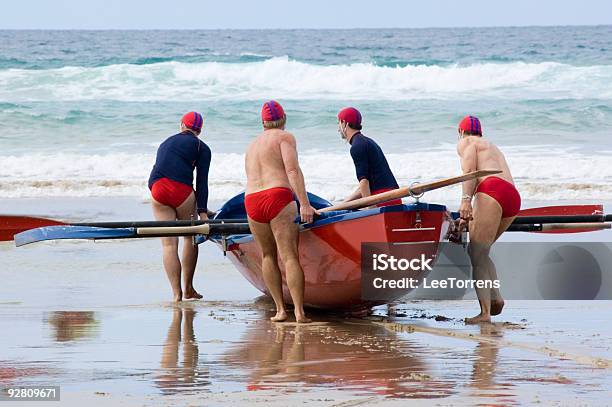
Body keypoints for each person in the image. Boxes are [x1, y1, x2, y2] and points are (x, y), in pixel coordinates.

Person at [244, 100, 317, 323]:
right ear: (283, 120)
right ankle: (299, 312)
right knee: (289, 256)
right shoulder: (285, 137)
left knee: (268, 255)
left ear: (263, 122)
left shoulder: (252, 145)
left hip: (252, 200)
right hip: (277, 196)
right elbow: (292, 170)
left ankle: (279, 311)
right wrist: (304, 204)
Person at [455, 115, 521, 324]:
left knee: (476, 253)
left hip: (491, 190)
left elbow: (470, 173)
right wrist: (469, 217)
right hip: (512, 196)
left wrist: (466, 201)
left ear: (461, 132)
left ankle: (485, 312)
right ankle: (495, 298)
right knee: (482, 251)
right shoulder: (492, 146)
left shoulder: (467, 143)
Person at [148, 112, 211, 302]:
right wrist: (202, 211)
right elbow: (202, 182)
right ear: (199, 130)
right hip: (181, 191)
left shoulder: (166, 142)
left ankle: (176, 295)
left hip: (157, 189)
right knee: (190, 238)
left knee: (168, 244)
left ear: (182, 125)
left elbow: (157, 169)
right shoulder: (202, 147)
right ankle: (189, 289)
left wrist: (156, 190)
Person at [337, 107, 402, 207]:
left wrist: (371, 209)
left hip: (382, 200)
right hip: (393, 198)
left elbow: (364, 182)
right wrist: (342, 204)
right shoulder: (368, 142)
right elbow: (365, 186)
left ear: (344, 123)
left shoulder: (356, 147)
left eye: (338, 123)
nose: (338, 129)